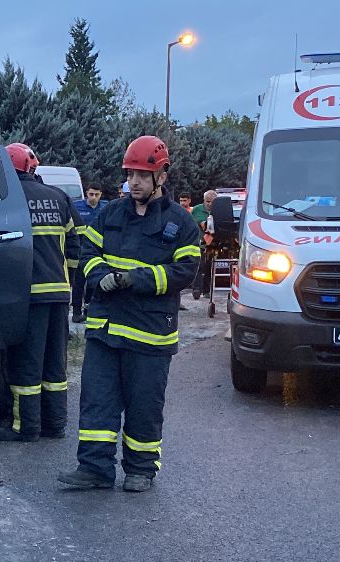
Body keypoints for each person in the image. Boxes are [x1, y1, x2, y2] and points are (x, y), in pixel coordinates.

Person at [57, 135, 200, 492]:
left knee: (144, 406)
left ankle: (140, 469)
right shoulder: (110, 214)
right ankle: (94, 468)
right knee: (97, 402)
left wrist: (133, 279)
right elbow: (87, 250)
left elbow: (184, 271)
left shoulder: (181, 223)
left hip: (150, 335)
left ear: (161, 177)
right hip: (106, 330)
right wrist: (100, 276)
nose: (133, 181)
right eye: (130, 173)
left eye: (141, 174)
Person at [0, 142, 80, 442]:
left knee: (25, 363)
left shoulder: (6, 201)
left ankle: (26, 427)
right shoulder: (58, 197)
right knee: (55, 363)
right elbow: (76, 249)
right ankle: (55, 424)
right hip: (58, 294)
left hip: (26, 296)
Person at [71, 184, 108, 323]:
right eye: (91, 194)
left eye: (96, 195)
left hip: (99, 251)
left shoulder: (105, 207)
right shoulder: (77, 207)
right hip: (81, 251)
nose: (93, 197)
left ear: (101, 194)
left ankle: (89, 310)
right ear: (86, 193)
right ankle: (76, 311)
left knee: (94, 281)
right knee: (79, 282)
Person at [191, 190, 217, 299]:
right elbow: (203, 225)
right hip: (199, 243)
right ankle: (196, 289)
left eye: (213, 202)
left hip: (213, 244)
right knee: (199, 266)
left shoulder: (219, 210)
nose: (210, 204)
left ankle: (206, 291)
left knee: (209, 267)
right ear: (204, 201)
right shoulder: (197, 210)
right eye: (208, 201)